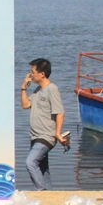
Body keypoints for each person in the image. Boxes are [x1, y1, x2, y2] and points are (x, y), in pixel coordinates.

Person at [20, 58, 67, 190]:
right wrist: (23, 88)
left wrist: (57, 134)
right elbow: (26, 105)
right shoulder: (38, 90)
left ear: (42, 74)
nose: (30, 75)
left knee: (30, 162)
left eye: (32, 72)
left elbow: (60, 113)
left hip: (46, 136)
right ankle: (50, 195)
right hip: (35, 136)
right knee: (42, 168)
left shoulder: (52, 89)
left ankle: (42, 192)